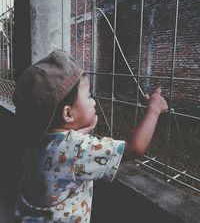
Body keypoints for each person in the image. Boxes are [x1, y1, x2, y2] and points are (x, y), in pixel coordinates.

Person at [13, 49, 168, 223]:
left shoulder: (35, 137)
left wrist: (81, 131)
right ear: (68, 114)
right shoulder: (78, 151)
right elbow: (135, 146)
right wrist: (154, 109)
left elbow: (59, 153)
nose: (93, 101)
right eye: (88, 97)